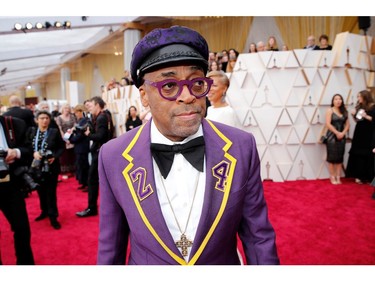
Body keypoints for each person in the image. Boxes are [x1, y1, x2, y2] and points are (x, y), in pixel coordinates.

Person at [97, 25, 279, 265]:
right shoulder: (114, 156)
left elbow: (258, 239)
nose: (187, 96)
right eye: (169, 86)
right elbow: (111, 248)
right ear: (143, 96)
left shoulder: (240, 147)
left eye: (196, 83)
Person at [0, 115, 35, 264]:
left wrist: (16, 152)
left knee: (22, 228)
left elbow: (30, 149)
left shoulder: (14, 124)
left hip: (11, 184)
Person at [26, 110, 65, 230]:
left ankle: (53, 216)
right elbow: (26, 146)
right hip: (36, 167)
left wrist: (55, 156)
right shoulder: (31, 131)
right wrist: (33, 153)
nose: (45, 120)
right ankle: (44, 211)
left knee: (51, 192)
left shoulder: (53, 132)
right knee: (40, 191)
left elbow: (61, 147)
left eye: (47, 118)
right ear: (37, 120)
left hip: (50, 167)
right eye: (42, 118)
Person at [76, 96, 114, 218]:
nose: (89, 108)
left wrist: (89, 134)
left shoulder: (102, 117)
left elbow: (101, 136)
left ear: (97, 105)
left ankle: (92, 208)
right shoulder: (102, 116)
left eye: (90, 106)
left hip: (99, 152)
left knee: (92, 181)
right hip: (101, 151)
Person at [346, 90, 375, 184]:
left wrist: (366, 116)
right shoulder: (359, 106)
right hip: (359, 132)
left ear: (365, 97)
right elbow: (358, 120)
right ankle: (358, 175)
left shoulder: (373, 106)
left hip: (369, 132)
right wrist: (353, 115)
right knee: (358, 153)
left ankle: (367, 176)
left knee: (368, 153)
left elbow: (372, 120)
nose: (358, 98)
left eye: (359, 96)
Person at [324, 94, 350, 184]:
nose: (338, 101)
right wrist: (337, 132)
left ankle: (338, 177)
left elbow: (347, 125)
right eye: (336, 99)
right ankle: (332, 177)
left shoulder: (345, 111)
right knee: (332, 158)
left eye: (340, 99)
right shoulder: (330, 110)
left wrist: (342, 133)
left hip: (342, 137)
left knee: (340, 158)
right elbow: (328, 124)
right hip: (331, 136)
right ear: (333, 101)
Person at [68, 104, 90, 191]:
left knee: (84, 166)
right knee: (81, 165)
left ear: (81, 111)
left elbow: (81, 135)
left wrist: (71, 139)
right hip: (79, 146)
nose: (75, 114)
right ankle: (84, 183)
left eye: (76, 112)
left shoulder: (84, 121)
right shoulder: (81, 121)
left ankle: (86, 184)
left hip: (82, 147)